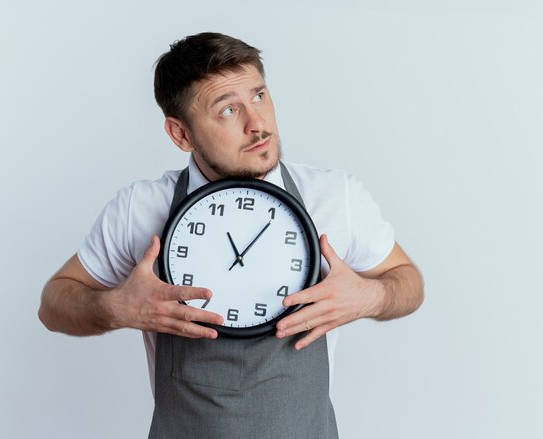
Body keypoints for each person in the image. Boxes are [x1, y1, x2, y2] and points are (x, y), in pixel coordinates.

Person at [39, 32, 424, 439]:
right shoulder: (140, 208)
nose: (257, 124)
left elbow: (408, 282)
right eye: (228, 110)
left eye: (259, 96)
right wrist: (115, 309)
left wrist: (370, 296)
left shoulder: (333, 196)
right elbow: (53, 303)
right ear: (181, 134)